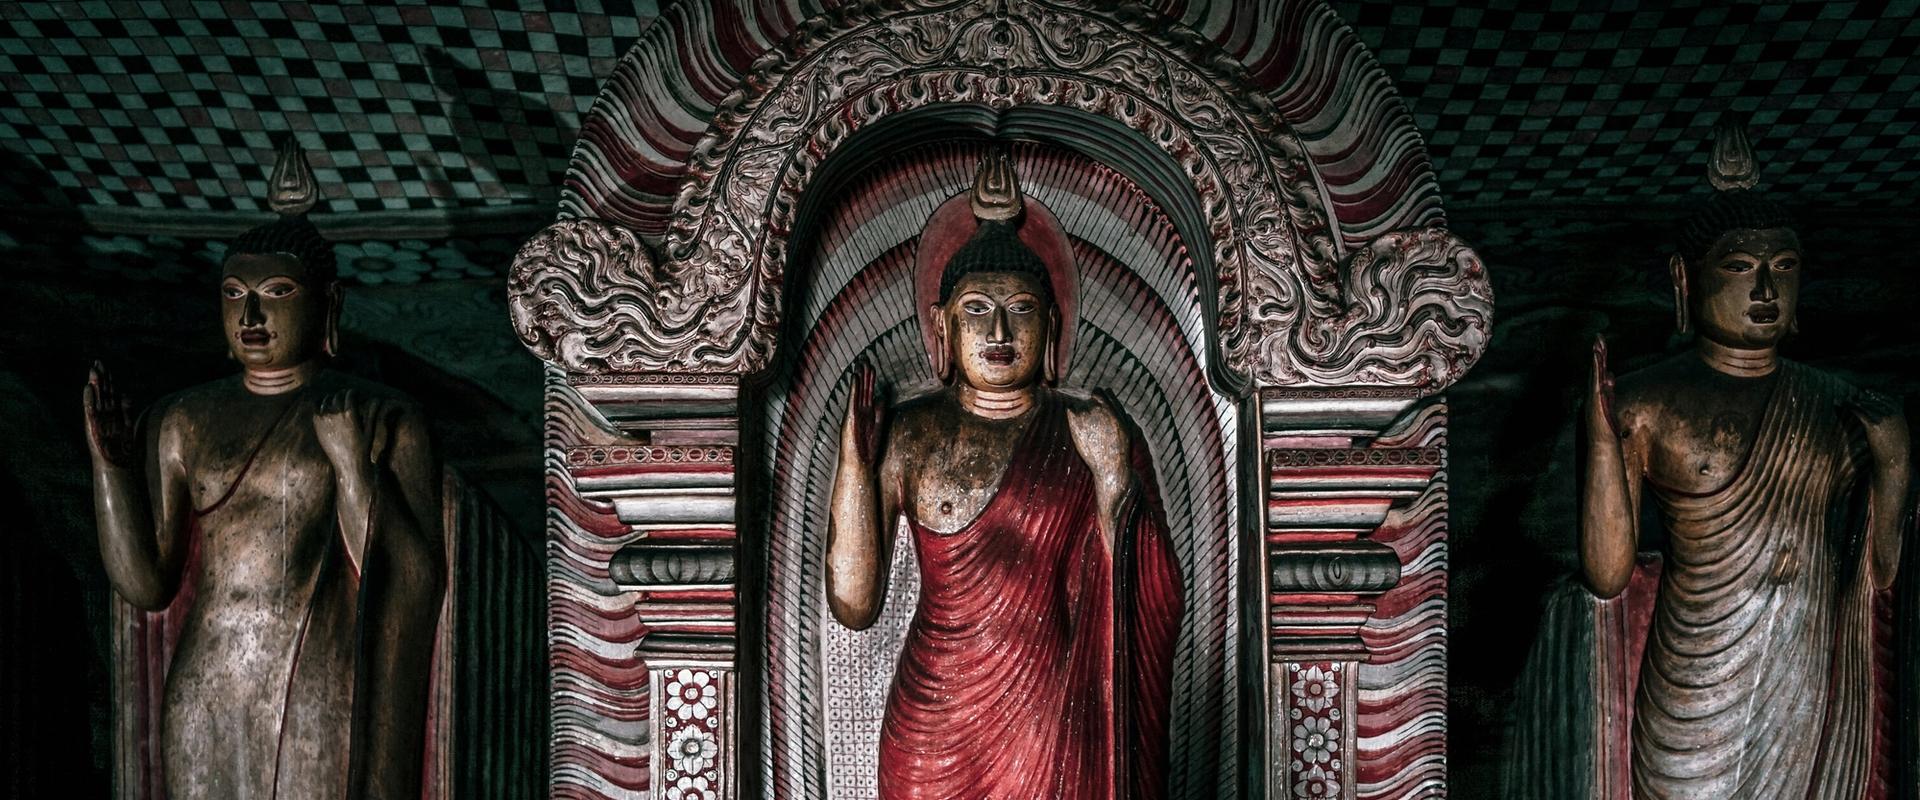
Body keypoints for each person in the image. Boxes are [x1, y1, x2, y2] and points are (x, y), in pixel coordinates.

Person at [84, 138, 443, 799]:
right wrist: (109, 471)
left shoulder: (377, 414)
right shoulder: (182, 419)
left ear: (326, 305)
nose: (251, 315)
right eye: (234, 294)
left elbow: (407, 580)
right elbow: (145, 584)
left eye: (276, 292)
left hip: (316, 672)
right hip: (207, 675)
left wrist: (350, 466)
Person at [826, 152, 1184, 799]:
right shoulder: (909, 432)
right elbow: (854, 603)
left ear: (1052, 327)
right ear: (942, 326)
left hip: (1051, 709)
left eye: (1021, 310)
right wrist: (855, 464)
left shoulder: (1088, 429)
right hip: (932, 721)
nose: (998, 329)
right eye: (976, 310)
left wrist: (1112, 477)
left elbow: (1151, 588)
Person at [1581, 120, 1908, 798]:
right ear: (1685, 281)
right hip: (1695, 671)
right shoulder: (1648, 402)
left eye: (1783, 271)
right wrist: (1602, 434)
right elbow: (1608, 574)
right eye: (1738, 268)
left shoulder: (1840, 404)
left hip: (1807, 668)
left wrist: (1896, 462)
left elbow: (1879, 573)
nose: (1764, 291)